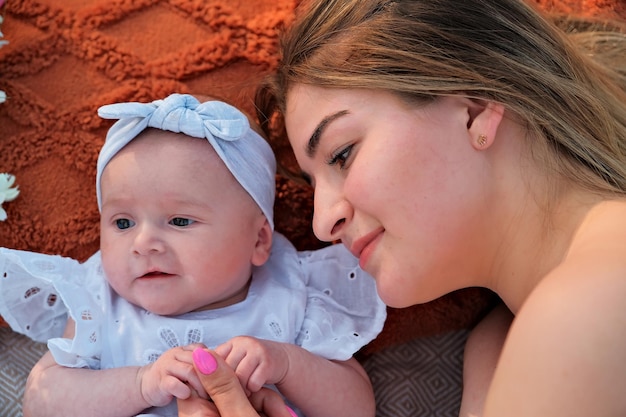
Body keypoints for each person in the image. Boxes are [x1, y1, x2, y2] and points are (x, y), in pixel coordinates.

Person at [250, 0, 625, 416]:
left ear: (476, 108)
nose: (323, 224)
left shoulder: (584, 308)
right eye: (312, 182)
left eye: (342, 154)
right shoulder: (495, 345)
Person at [0, 93, 386, 417]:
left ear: (259, 241)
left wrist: (287, 364)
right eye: (122, 223)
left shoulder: (291, 291)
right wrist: (141, 384)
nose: (143, 243)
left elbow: (356, 407)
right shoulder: (100, 301)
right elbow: (41, 400)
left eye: (180, 220)